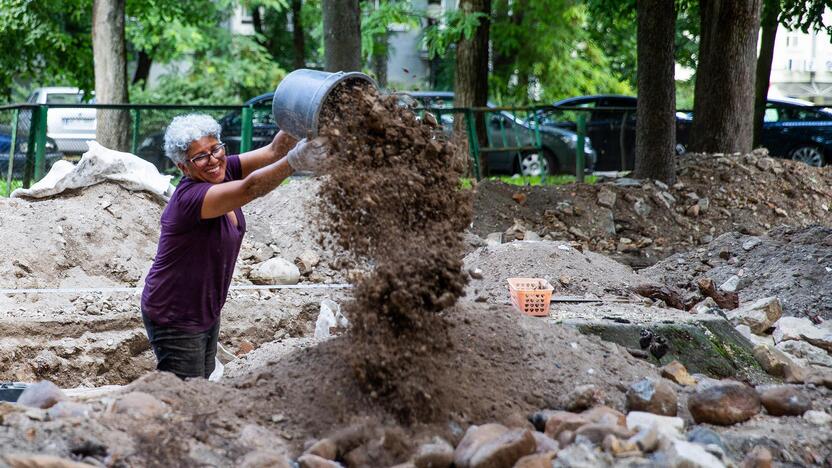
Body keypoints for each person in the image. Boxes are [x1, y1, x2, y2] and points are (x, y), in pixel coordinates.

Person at [140, 114, 326, 379]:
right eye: (200, 157)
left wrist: (308, 118)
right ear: (184, 167)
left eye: (216, 148)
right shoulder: (192, 198)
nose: (213, 159)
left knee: (200, 385)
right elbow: (251, 188)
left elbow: (274, 150)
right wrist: (296, 161)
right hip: (175, 314)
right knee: (186, 396)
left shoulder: (220, 172)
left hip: (204, 308)